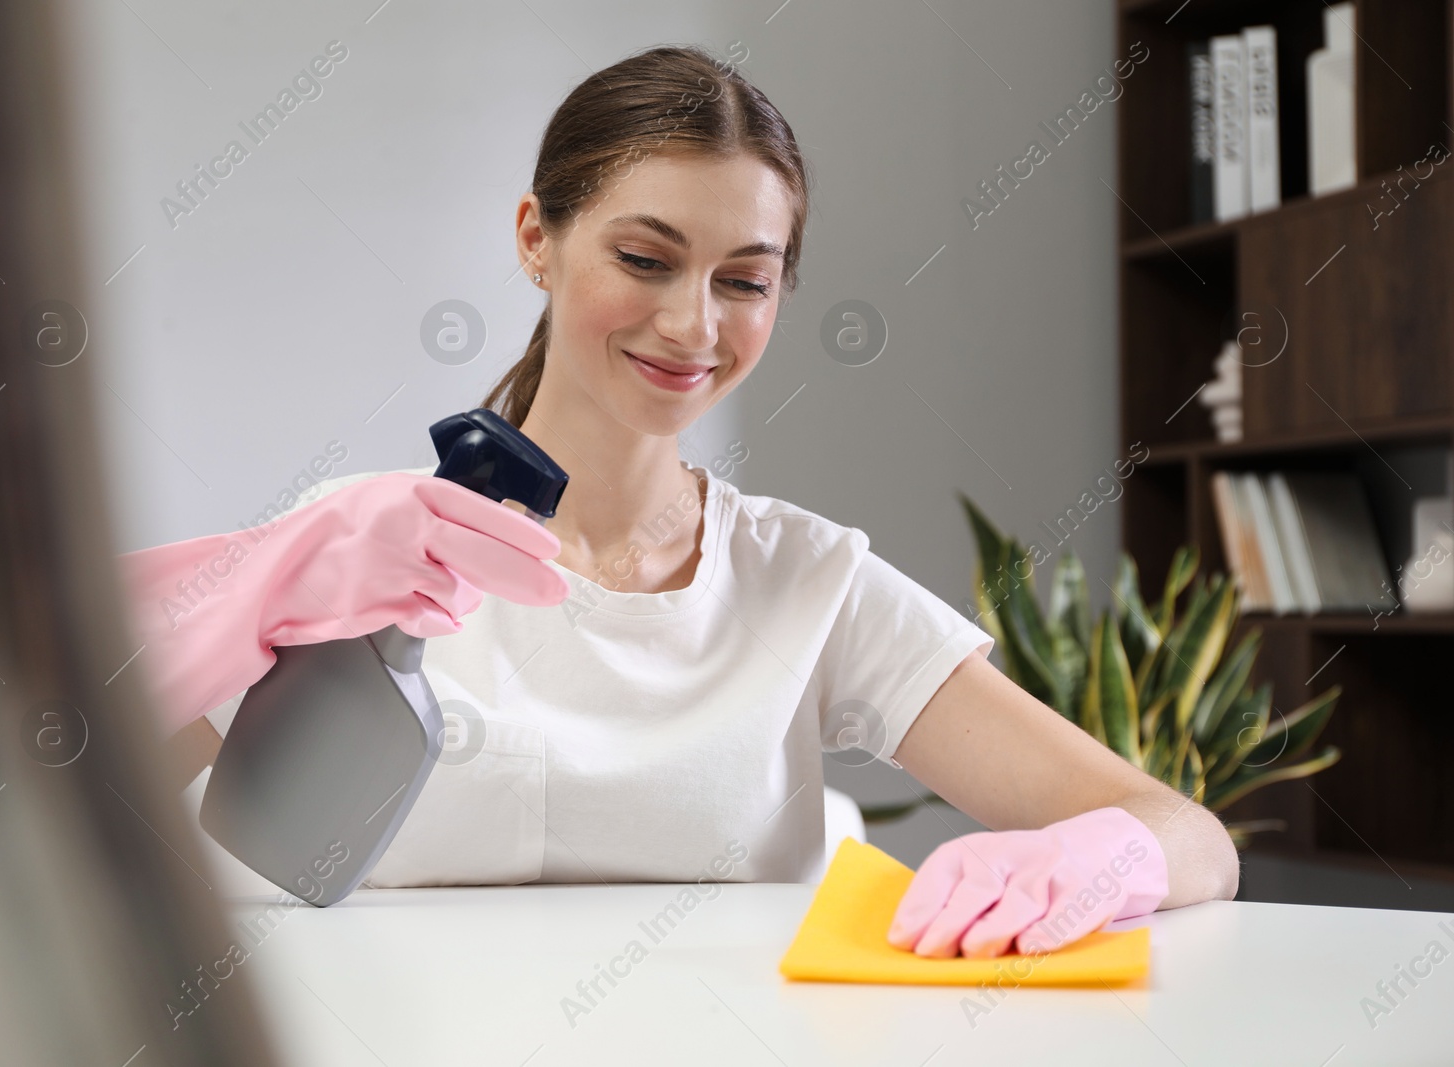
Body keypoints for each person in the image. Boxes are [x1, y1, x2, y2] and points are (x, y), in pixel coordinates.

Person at [120, 44, 1237, 959]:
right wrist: (249, 600)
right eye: (645, 257)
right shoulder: (363, 554)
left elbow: (1186, 833)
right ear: (535, 240)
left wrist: (1103, 857)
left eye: (743, 280)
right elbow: (43, 797)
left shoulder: (808, 582)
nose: (693, 325)